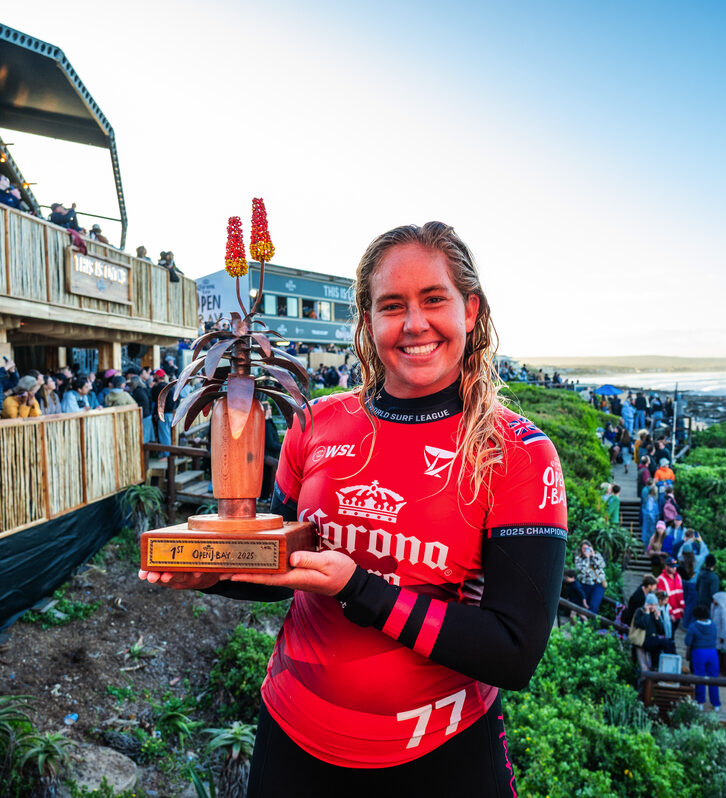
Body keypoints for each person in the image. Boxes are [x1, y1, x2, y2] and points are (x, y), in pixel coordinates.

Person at [139, 221, 566, 795]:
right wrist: (207, 573)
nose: (414, 323)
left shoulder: (517, 451)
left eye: (433, 300)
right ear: (367, 323)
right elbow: (283, 571)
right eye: (392, 306)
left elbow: (515, 651)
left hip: (440, 752)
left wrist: (358, 589)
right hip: (294, 734)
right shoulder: (317, 423)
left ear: (470, 310)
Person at [684, 605, 722, 711]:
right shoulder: (713, 625)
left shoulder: (693, 626)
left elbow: (688, 642)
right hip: (712, 653)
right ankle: (716, 704)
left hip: (698, 653)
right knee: (713, 679)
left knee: (699, 678)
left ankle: (700, 702)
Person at [631, 593, 677, 660]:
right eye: (651, 604)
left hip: (653, 638)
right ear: (647, 604)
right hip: (643, 639)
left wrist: (658, 619)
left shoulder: (654, 612)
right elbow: (642, 625)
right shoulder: (640, 611)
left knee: (670, 644)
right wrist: (647, 613)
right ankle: (670, 661)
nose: (653, 607)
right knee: (665, 642)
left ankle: (672, 662)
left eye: (655, 605)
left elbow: (661, 630)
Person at [573, 540, 608, 615]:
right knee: (584, 605)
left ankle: (591, 624)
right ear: (581, 550)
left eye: (587, 548)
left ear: (591, 547)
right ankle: (583, 624)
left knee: (594, 606)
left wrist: (593, 556)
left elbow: (603, 565)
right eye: (584, 548)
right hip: (585, 585)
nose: (586, 550)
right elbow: (583, 570)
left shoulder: (596, 555)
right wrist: (587, 558)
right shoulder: (578, 559)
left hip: (598, 585)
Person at [655, 556, 684, 632]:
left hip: (678, 613)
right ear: (666, 566)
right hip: (668, 614)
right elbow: (662, 599)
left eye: (675, 567)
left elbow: (680, 594)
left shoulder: (678, 577)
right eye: (672, 567)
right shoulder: (660, 579)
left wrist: (682, 608)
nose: (674, 568)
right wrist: (670, 613)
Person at [711, 590, 726, 675]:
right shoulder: (717, 609)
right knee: (719, 651)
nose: (714, 601)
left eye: (715, 599)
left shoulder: (723, 611)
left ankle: (723, 671)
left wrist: (723, 636)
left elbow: (725, 625)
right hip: (719, 634)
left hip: (723, 636)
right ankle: (718, 669)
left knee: (723, 653)